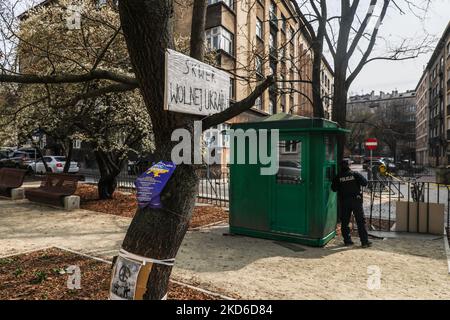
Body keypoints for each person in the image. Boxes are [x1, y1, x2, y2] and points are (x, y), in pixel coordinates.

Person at [331, 159, 372, 248]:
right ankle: (364, 242)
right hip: (356, 201)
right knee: (360, 221)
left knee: (345, 222)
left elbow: (333, 188)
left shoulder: (338, 177)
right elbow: (365, 183)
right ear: (349, 166)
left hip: (344, 201)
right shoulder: (355, 174)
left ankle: (347, 241)